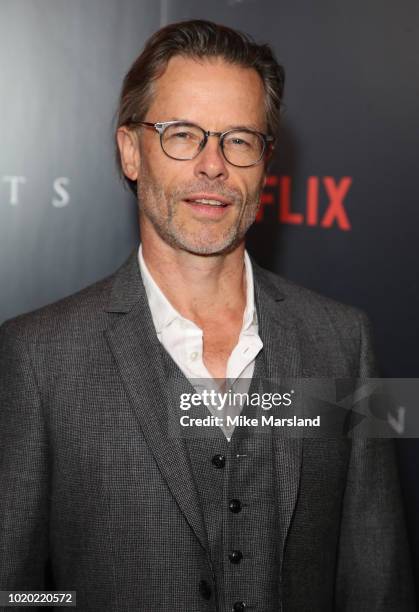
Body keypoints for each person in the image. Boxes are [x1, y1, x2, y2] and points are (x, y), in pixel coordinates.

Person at [0, 19, 414, 612]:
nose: (213, 165)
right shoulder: (36, 355)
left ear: (266, 164)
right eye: (183, 134)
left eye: (239, 138)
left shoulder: (343, 340)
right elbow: (15, 590)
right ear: (130, 151)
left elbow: (378, 578)